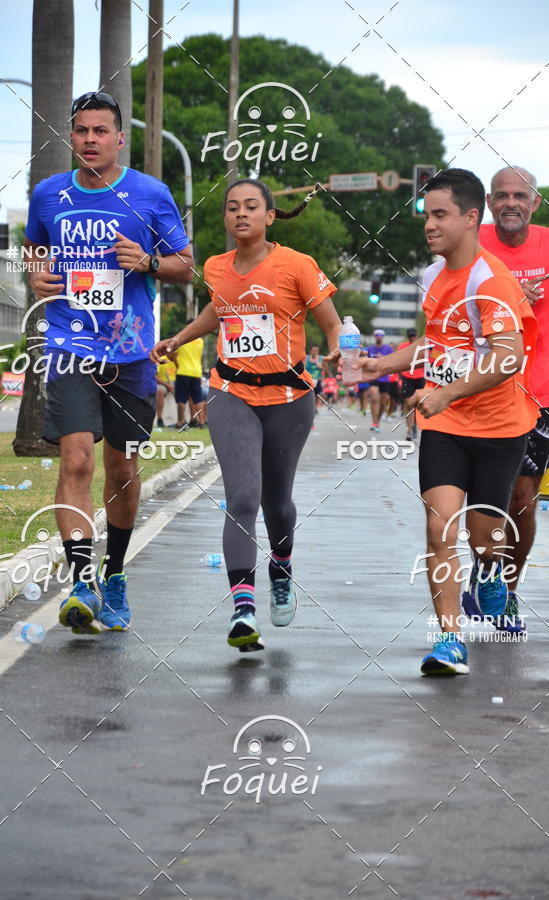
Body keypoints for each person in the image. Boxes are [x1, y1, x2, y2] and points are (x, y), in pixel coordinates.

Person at [355, 168, 538, 676]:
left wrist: (447, 392)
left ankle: (490, 568)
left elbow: (508, 357)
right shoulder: (434, 277)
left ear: (470, 217)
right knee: (440, 528)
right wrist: (385, 362)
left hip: (500, 428)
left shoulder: (491, 281)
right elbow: (435, 341)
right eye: (426, 215)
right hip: (446, 426)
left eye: (440, 215)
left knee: (484, 538)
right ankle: (449, 639)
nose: (429, 225)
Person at [24, 91, 193, 634]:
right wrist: (36, 274)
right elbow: (33, 247)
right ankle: (80, 581)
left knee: (122, 468)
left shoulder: (150, 194)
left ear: (120, 139)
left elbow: (186, 266)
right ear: (70, 138)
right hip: (69, 345)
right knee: (76, 461)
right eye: (81, 131)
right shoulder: (48, 195)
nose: (90, 140)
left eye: (101, 131)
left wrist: (146, 260)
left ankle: (115, 574)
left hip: (131, 354)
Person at [152, 179, 342, 652]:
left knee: (277, 503)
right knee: (242, 497)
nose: (241, 215)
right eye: (232, 208)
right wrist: (179, 338)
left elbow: (333, 323)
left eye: (251, 207)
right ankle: (242, 609)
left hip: (289, 398)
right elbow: (220, 312)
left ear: (270, 216)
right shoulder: (216, 266)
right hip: (229, 391)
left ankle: (281, 568)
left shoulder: (297, 265)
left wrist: (339, 350)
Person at [476, 166, 549, 606]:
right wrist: (508, 296)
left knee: (523, 497)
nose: (510, 203)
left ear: (535, 202)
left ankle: (506, 588)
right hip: (479, 387)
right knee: (481, 497)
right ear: (489, 203)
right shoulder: (470, 244)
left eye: (520, 195)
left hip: (539, 390)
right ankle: (485, 567)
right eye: (501, 195)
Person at [171, 324, 205, 428]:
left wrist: (177, 364)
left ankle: (180, 422)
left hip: (183, 371)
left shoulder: (182, 340)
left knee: (181, 398)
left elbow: (171, 354)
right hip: (196, 372)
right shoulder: (200, 341)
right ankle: (202, 422)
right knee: (198, 398)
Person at [364, 329, 395, 431]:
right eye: (377, 335)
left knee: (383, 402)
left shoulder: (389, 349)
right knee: (374, 398)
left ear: (383, 337)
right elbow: (365, 363)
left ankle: (378, 421)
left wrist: (382, 359)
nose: (379, 337)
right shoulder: (370, 349)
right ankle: (374, 422)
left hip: (385, 378)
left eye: (381, 335)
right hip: (374, 377)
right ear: (374, 336)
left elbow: (393, 361)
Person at [398, 326, 425, 440]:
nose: (412, 338)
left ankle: (415, 427)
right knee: (408, 404)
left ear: (417, 335)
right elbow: (398, 361)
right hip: (407, 377)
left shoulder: (423, 346)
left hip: (421, 377)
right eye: (410, 336)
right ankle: (409, 430)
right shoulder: (402, 346)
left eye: (413, 336)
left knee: (419, 405)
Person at [155, 356, 176, 428]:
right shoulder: (161, 359)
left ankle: (184, 420)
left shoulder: (176, 359)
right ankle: (160, 419)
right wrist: (168, 386)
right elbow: (154, 376)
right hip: (161, 384)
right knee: (160, 390)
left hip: (173, 383)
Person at [305, 344, 325, 414]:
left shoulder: (321, 358)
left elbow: (326, 368)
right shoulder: (306, 358)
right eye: (314, 350)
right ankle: (311, 407)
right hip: (308, 379)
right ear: (310, 351)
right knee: (309, 394)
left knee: (317, 394)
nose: (315, 352)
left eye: (317, 351)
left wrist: (321, 367)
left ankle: (315, 408)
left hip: (318, 379)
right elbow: (303, 368)